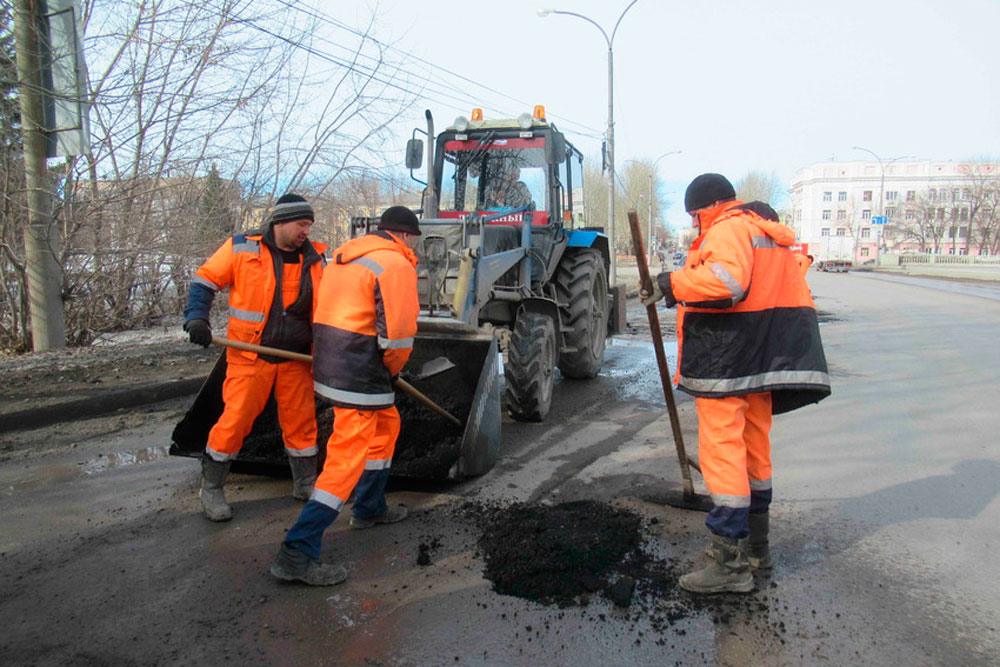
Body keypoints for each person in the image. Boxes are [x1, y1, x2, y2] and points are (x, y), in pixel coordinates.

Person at [640, 173, 830, 594]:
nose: (694, 225)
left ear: (707, 207)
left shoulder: (728, 229)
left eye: (694, 216)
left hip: (728, 361)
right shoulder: (768, 235)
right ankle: (757, 549)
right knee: (754, 453)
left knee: (723, 454)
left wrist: (669, 283)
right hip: (761, 361)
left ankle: (729, 564)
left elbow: (727, 282)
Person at [270, 205, 421, 586]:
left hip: (331, 362)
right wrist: (392, 369)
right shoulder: (395, 264)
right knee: (345, 460)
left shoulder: (343, 255)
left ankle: (369, 507)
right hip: (360, 370)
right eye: (413, 240)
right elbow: (398, 336)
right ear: (404, 236)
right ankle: (297, 551)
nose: (413, 246)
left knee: (388, 423)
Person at [184, 194, 327, 521]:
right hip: (251, 356)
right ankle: (212, 488)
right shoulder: (241, 248)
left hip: (298, 358)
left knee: (302, 424)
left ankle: (305, 483)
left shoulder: (317, 259)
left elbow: (331, 307)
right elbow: (204, 281)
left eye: (309, 225)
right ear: (281, 222)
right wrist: (196, 319)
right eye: (301, 224)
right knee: (235, 421)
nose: (307, 230)